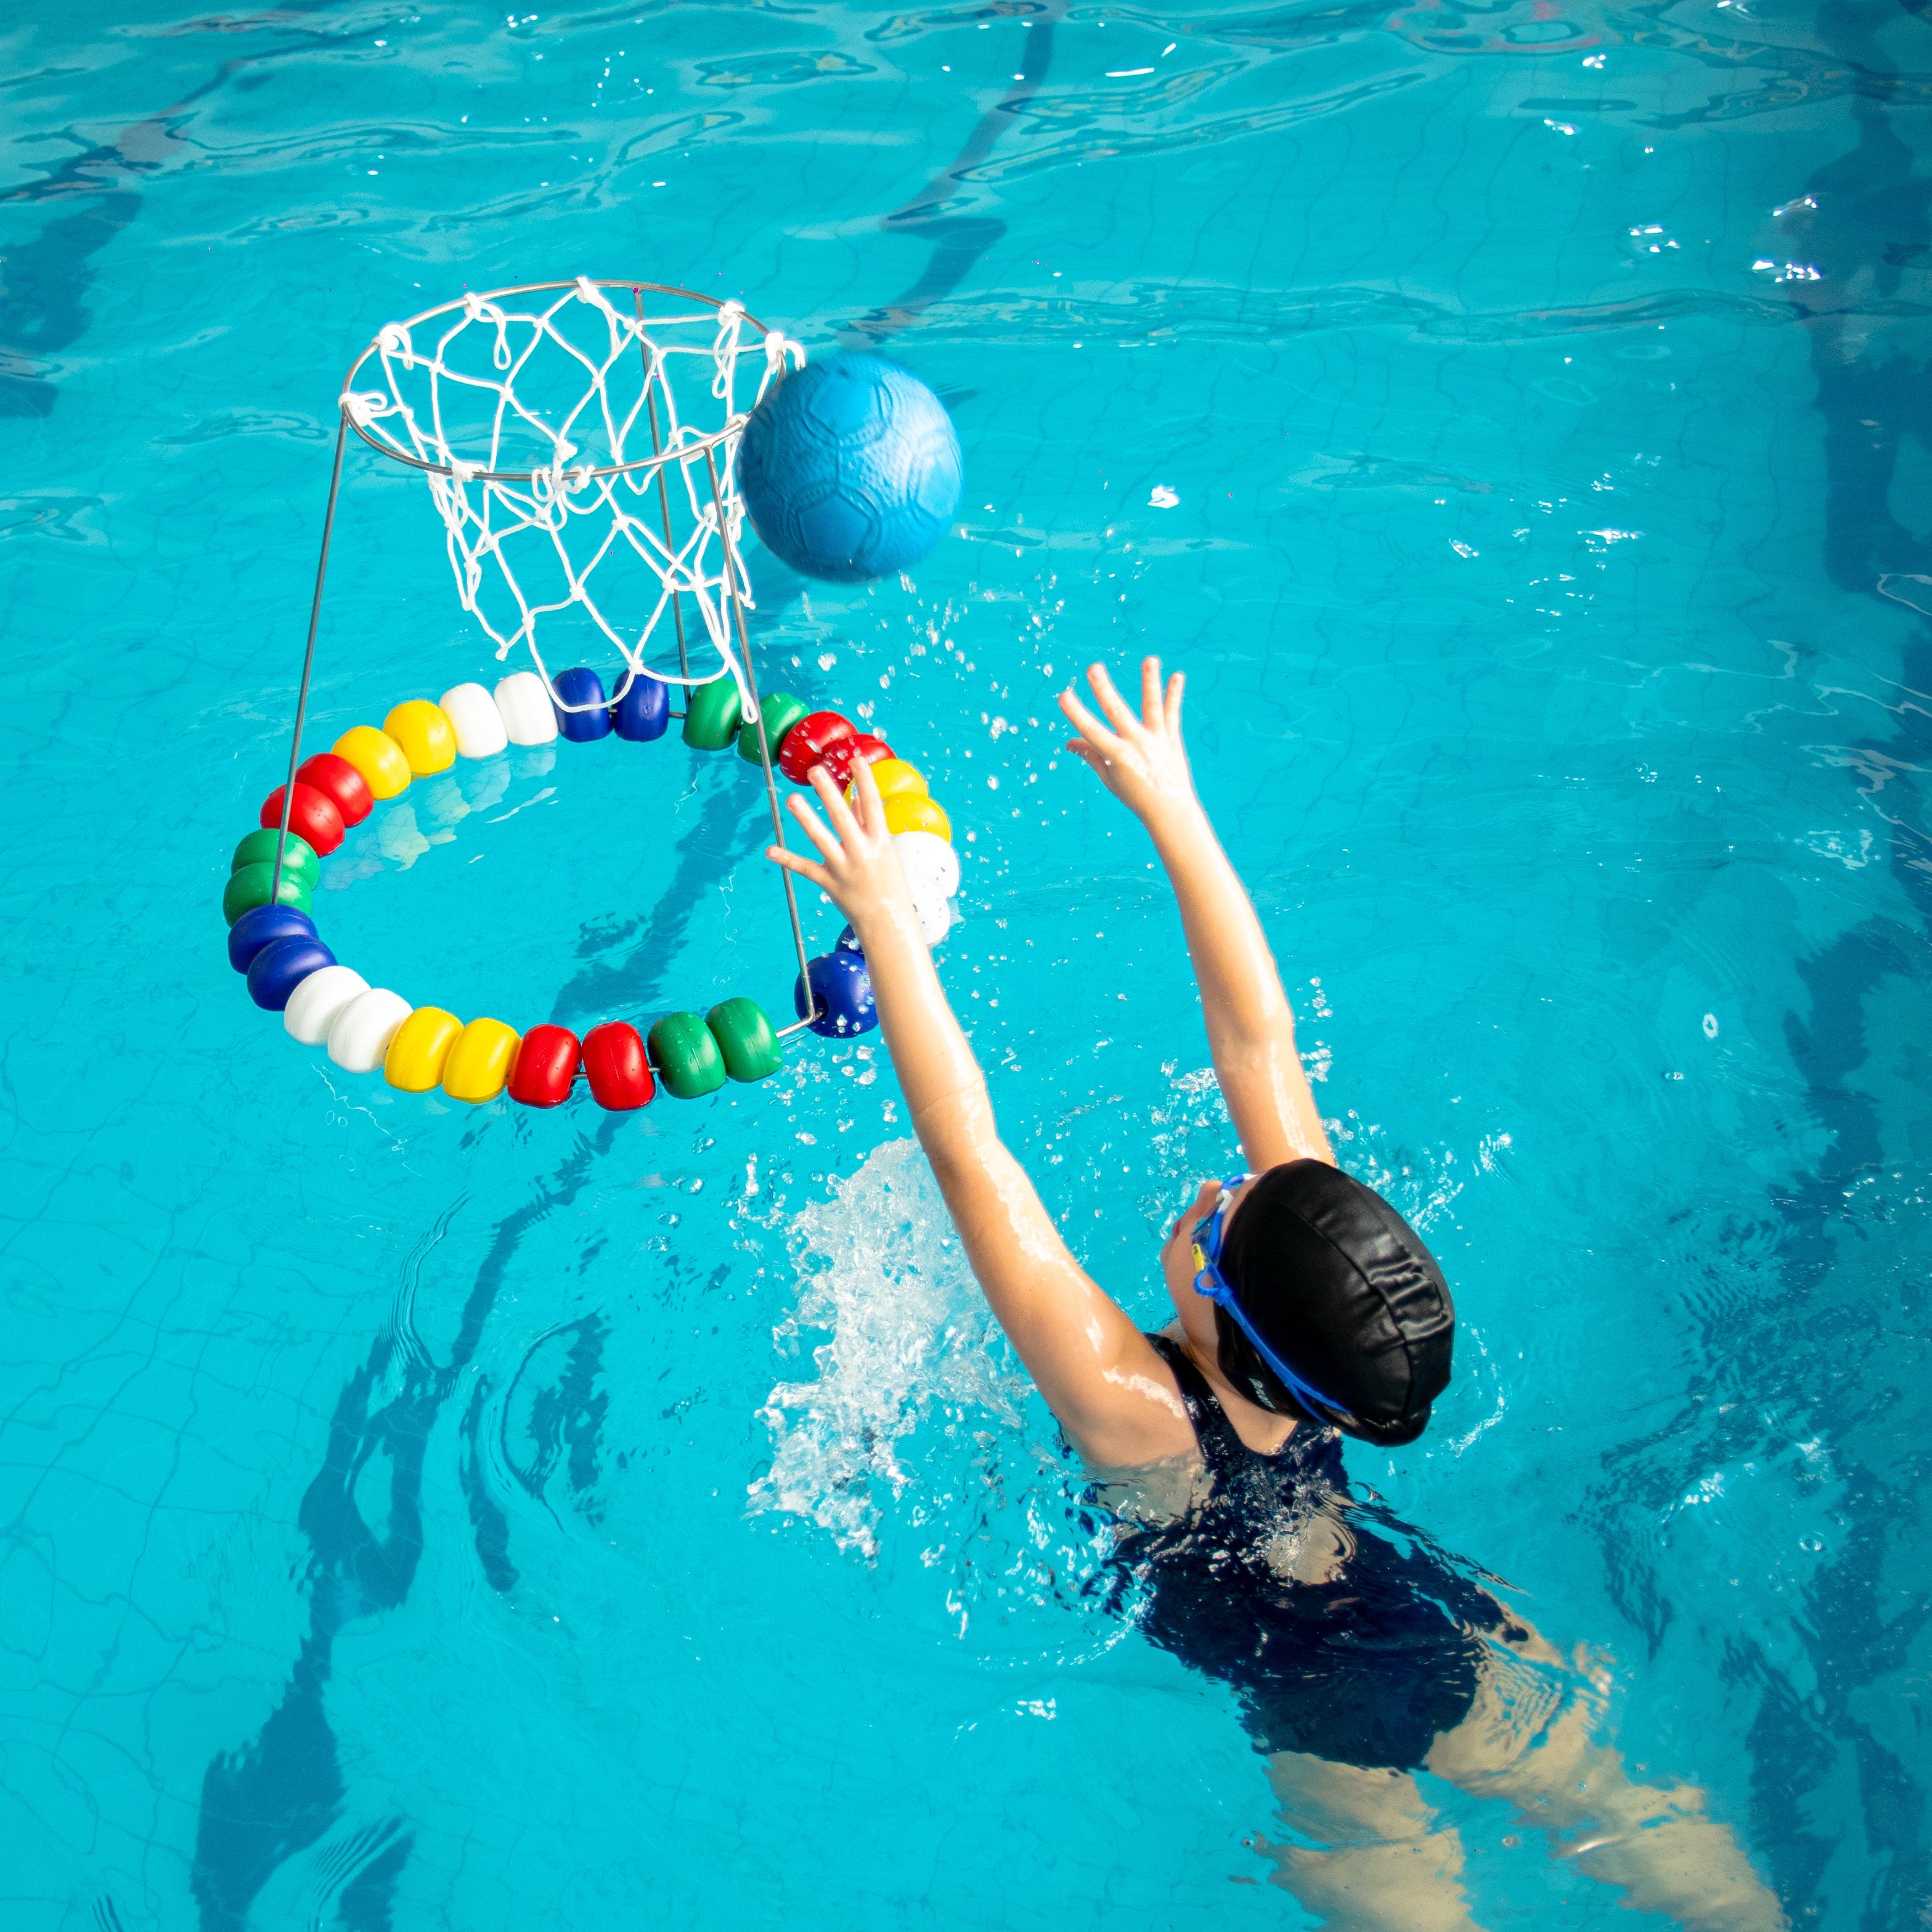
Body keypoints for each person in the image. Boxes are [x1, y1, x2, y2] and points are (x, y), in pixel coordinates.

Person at [765, 656, 1785, 1932]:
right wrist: (1173, 808)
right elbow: (1255, 1038)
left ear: (1225, 1311)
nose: (1210, 1185)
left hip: (1322, 1700)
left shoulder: (1135, 1403)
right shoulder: (1336, 1330)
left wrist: (891, 933)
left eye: (1217, 1216)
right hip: (1431, 1609)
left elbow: (972, 1157)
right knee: (1633, 1813)